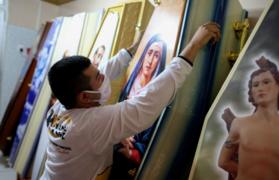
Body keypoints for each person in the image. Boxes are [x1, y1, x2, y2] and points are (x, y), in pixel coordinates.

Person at [40, 22, 221, 180]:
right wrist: (194, 44)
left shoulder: (60, 105)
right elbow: (147, 103)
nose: (103, 75)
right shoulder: (88, 124)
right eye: (99, 78)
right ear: (85, 97)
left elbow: (106, 69)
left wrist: (136, 46)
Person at [218, 56, 279, 180]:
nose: (260, 88)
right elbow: (223, 162)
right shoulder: (239, 124)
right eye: (255, 85)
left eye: (266, 82)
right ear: (251, 92)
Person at [110, 34, 167, 179]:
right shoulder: (130, 86)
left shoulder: (156, 95)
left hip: (131, 158)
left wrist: (130, 152)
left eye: (156, 56)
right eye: (149, 53)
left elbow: (152, 137)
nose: (150, 60)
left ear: (160, 62)